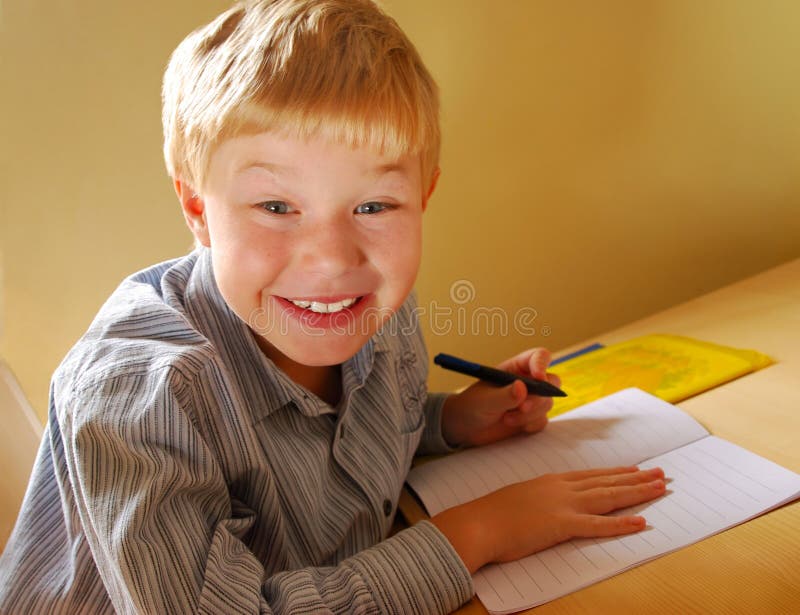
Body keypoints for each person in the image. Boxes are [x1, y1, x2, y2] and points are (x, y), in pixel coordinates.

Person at [0, 1, 665, 612]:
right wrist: (477, 532)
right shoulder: (137, 397)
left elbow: (344, 442)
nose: (331, 257)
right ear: (198, 208)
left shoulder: (367, 305)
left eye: (373, 206)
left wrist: (454, 420)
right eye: (277, 206)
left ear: (423, 194)